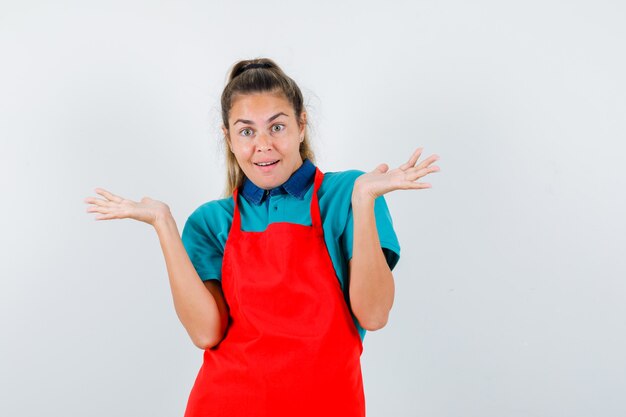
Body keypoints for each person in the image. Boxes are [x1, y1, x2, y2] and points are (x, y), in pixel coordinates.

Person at [84, 58, 440, 417]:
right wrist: (164, 225)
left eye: (277, 127)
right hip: (225, 404)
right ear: (229, 138)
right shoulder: (212, 221)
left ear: (301, 126)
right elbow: (206, 334)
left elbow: (374, 314)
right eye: (247, 131)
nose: (264, 145)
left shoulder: (349, 193)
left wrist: (364, 202)